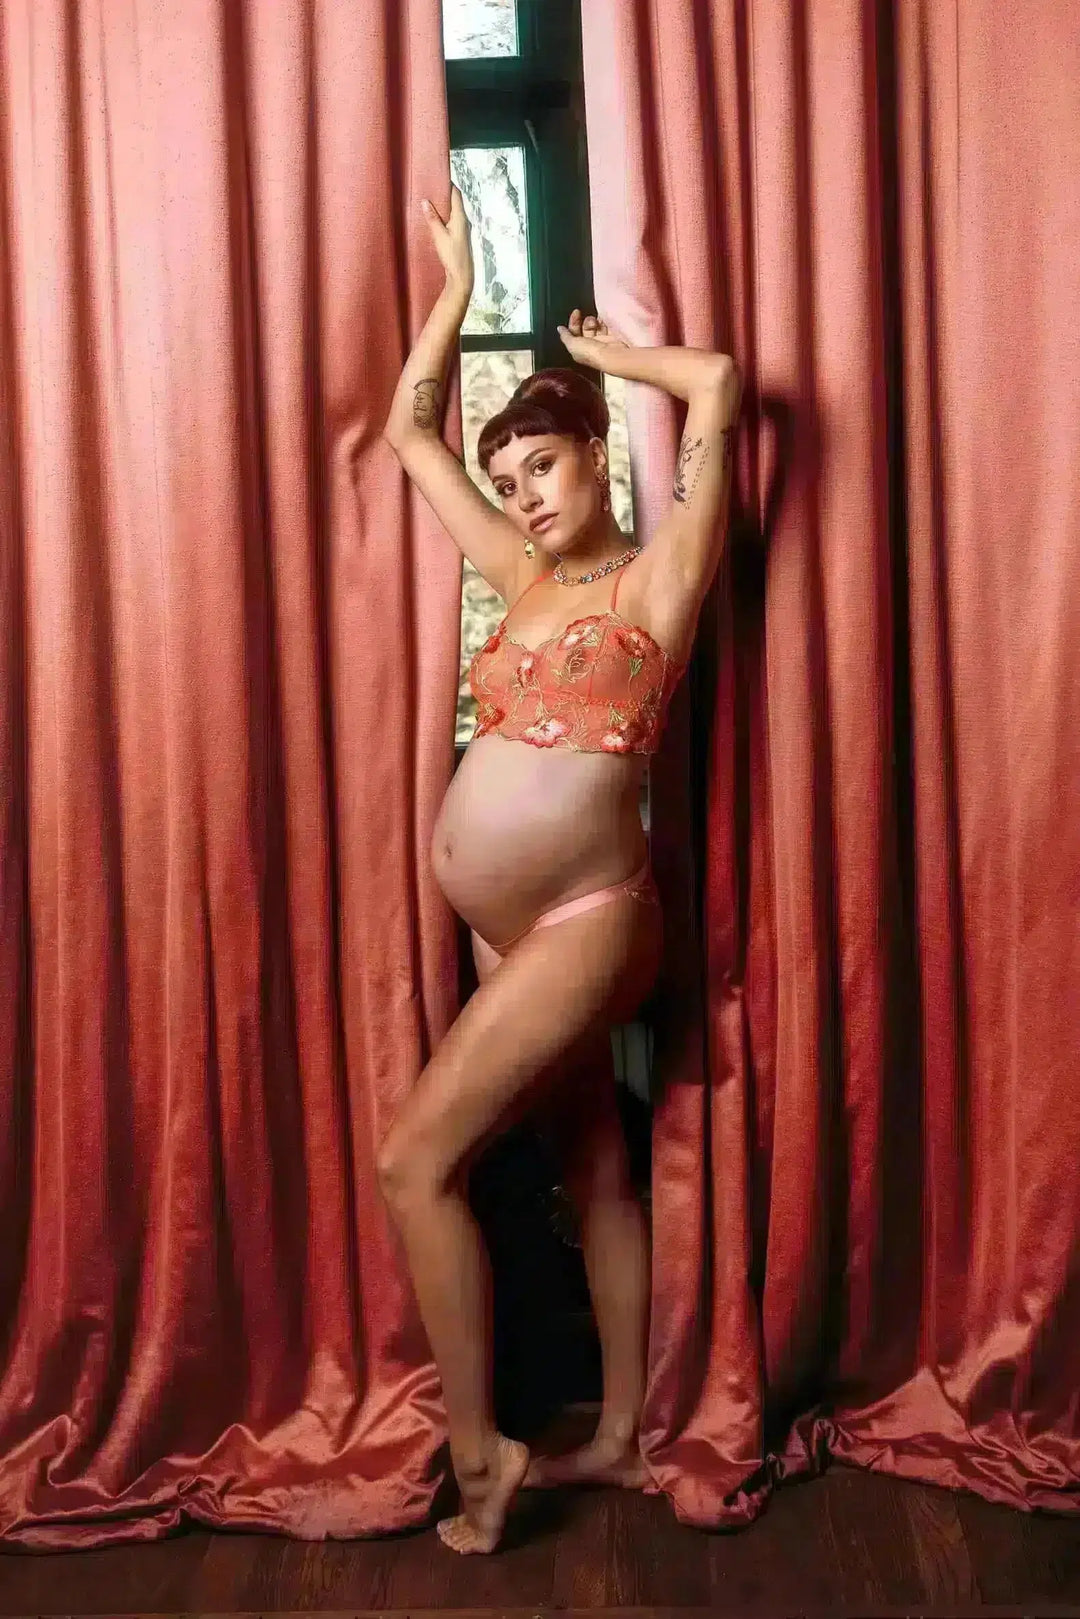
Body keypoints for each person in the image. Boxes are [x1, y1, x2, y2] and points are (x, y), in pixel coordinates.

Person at [379, 181, 740, 1555]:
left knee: (414, 1162)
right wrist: (457, 297)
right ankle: (623, 1436)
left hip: (592, 916)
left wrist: (610, 359)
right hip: (509, 931)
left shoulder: (657, 580)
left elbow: (718, 385)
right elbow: (410, 435)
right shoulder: (520, 577)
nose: (524, 497)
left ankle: (483, 1457)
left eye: (545, 465)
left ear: (597, 455)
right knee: (593, 1164)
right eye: (512, 479)